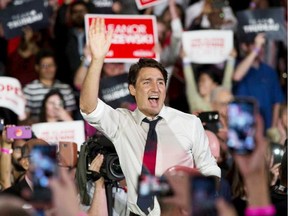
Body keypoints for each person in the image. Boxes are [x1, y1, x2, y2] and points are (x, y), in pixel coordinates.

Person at [80, 18, 220, 215]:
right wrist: (96, 60)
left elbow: (209, 169)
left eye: (160, 82)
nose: (155, 88)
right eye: (147, 82)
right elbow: (88, 107)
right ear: (132, 89)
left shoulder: (190, 123)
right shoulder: (121, 122)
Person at [233, 33, 285, 132]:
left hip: (266, 127)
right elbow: (237, 76)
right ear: (244, 46)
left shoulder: (270, 71)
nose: (259, 48)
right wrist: (255, 50)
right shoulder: (238, 66)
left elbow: (277, 102)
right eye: (255, 45)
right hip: (243, 126)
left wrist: (273, 128)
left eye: (261, 46)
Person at [23, 49, 76, 124]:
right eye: (44, 66)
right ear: (37, 67)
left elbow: (69, 116)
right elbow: (24, 119)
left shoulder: (65, 89)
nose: (48, 69)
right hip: (37, 131)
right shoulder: (29, 89)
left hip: (62, 131)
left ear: (56, 67)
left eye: (51, 65)